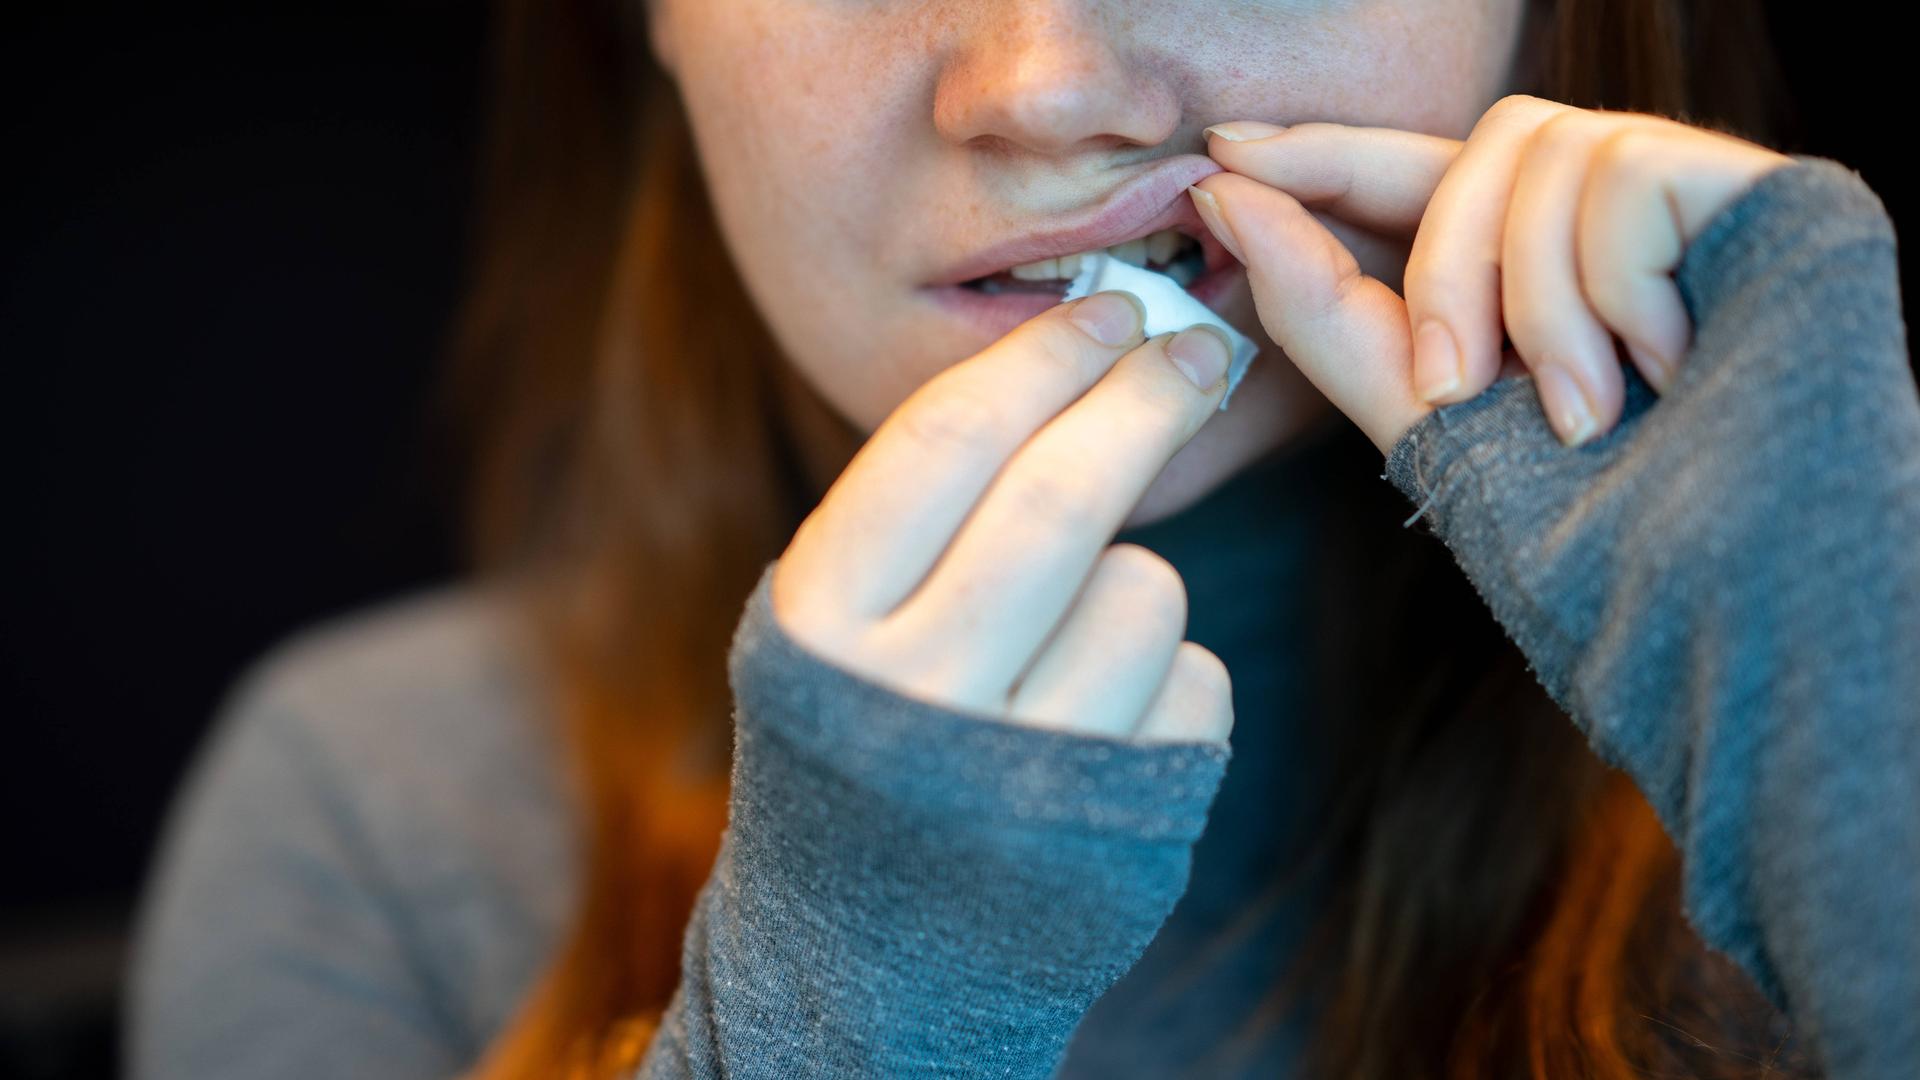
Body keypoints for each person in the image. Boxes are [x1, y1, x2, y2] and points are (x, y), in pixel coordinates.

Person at [126, 0, 1918, 1077]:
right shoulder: (369, 814)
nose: (1049, 90)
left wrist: (1856, 735)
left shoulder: (1849, 646)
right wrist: (834, 1025)